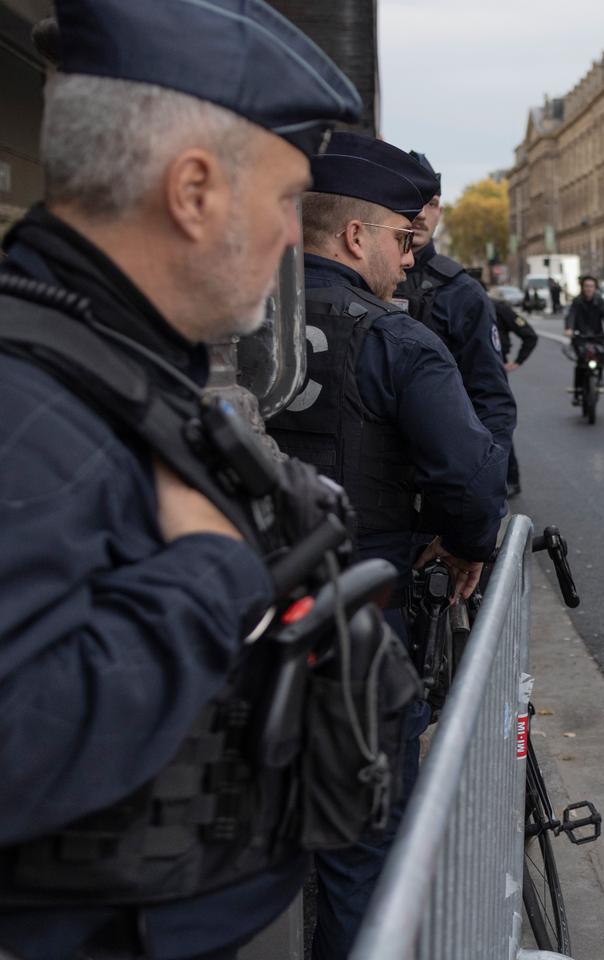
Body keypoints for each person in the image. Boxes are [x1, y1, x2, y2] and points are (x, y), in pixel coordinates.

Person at [0, 1, 366, 957]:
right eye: (288, 198)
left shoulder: (108, 363)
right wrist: (210, 566)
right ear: (194, 189)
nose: (296, 237)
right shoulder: (30, 406)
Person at [265, 133, 509, 960]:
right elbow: (475, 479)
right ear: (356, 237)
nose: (412, 261)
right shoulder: (398, 341)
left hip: (234, 628)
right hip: (359, 640)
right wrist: (466, 542)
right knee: (361, 863)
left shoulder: (229, 321)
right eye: (406, 240)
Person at [395, 152, 517, 471]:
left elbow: (492, 397)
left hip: (437, 468)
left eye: (432, 203)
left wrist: (488, 478)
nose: (421, 214)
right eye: (412, 200)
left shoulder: (461, 290)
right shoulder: (359, 275)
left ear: (441, 212)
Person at [493, 293, 538, 497]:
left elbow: (529, 335)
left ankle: (511, 479)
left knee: (498, 423)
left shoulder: (497, 307)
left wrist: (517, 362)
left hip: (492, 370)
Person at [565, 275, 604, 400]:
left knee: (601, 356)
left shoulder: (600, 301)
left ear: (595, 288)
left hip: (597, 335)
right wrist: (569, 329)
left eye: (591, 286)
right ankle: (577, 389)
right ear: (582, 287)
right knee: (580, 362)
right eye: (586, 286)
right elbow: (571, 315)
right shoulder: (577, 301)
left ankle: (600, 379)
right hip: (580, 336)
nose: (589, 289)